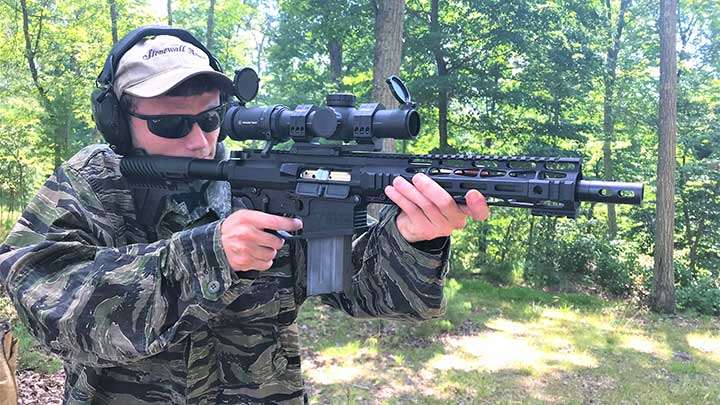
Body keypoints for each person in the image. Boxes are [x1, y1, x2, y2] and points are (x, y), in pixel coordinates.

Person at [0, 26, 489, 404]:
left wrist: (412, 238)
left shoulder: (255, 176)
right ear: (117, 122)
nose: (199, 140)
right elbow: (49, 304)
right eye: (171, 123)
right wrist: (208, 255)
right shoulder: (89, 184)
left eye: (211, 118)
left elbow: (353, 289)